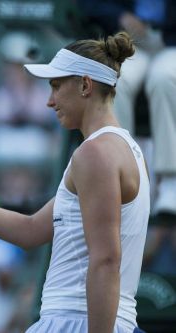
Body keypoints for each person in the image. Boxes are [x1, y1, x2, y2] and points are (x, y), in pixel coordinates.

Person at [0, 32, 150, 333]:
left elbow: (106, 260)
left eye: (56, 86)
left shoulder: (96, 153)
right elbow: (30, 231)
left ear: (85, 85)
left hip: (76, 322)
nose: (49, 101)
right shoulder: (121, 150)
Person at [77, 0, 176, 218]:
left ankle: (170, 182)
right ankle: (124, 177)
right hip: (129, 42)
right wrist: (120, 16)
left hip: (172, 43)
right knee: (115, 82)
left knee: (164, 79)